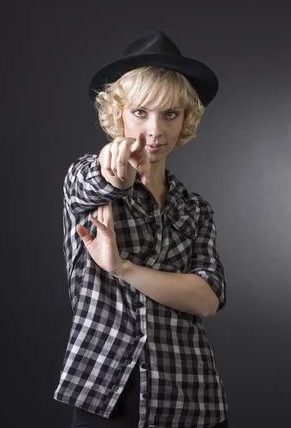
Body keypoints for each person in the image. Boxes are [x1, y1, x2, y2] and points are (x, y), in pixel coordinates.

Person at [53, 30, 230, 428]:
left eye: (170, 114)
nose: (155, 131)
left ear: (186, 119)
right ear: (118, 113)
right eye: (140, 112)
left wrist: (123, 268)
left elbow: (207, 298)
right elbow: (98, 183)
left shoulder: (195, 208)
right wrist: (116, 177)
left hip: (190, 392)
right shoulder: (85, 175)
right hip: (105, 389)